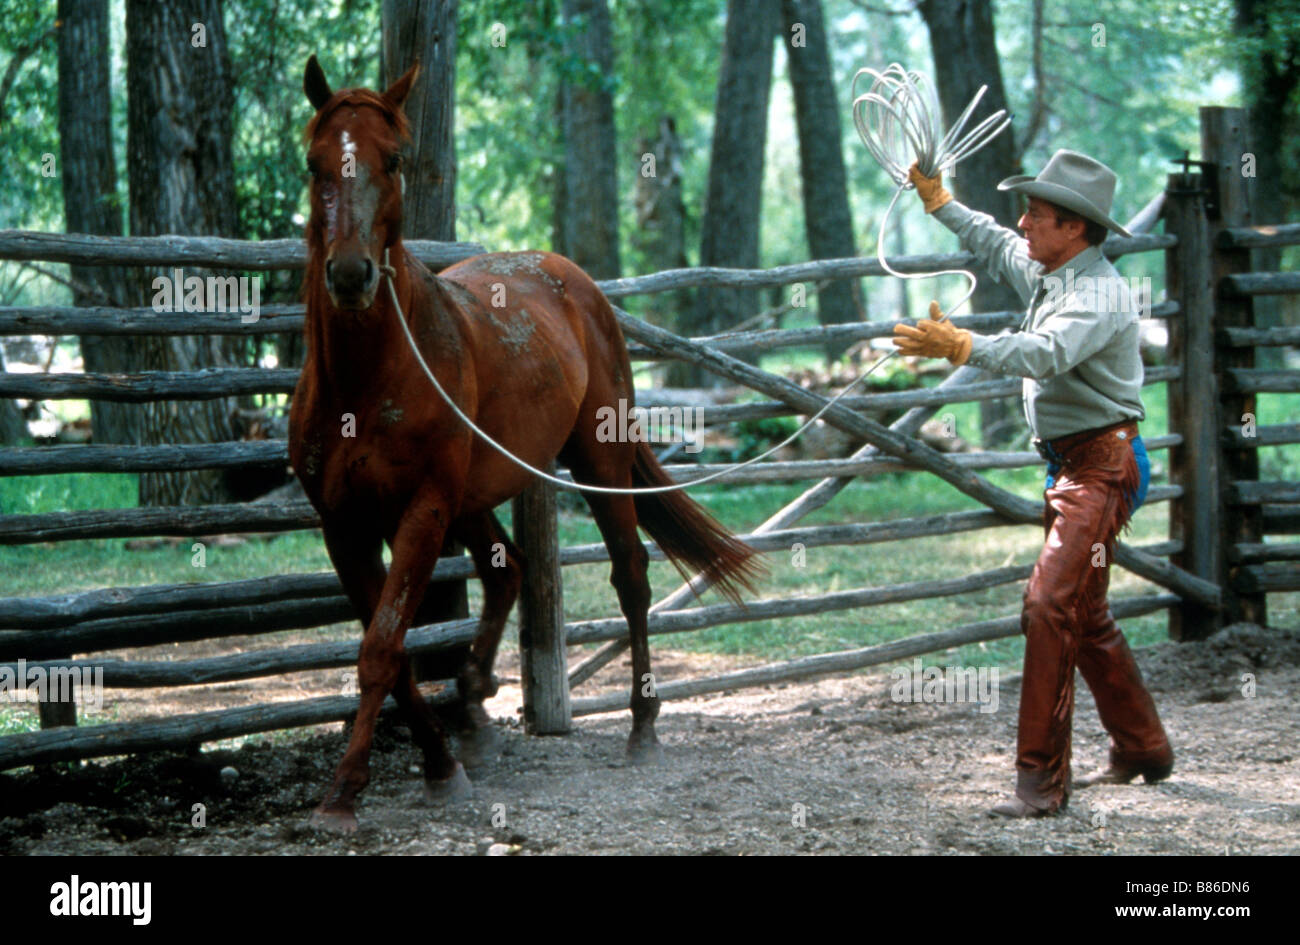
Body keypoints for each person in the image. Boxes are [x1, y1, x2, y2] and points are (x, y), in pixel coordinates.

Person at [892, 149, 1174, 818]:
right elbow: (994, 242)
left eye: (1037, 215)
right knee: (1085, 609)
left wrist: (964, 346)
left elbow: (1045, 354)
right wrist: (940, 203)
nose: (1023, 222)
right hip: (1078, 466)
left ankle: (1039, 782)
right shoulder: (1055, 269)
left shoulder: (1099, 294)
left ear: (1074, 228)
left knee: (1047, 606)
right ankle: (1144, 747)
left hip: (1102, 468)